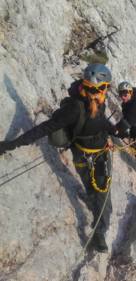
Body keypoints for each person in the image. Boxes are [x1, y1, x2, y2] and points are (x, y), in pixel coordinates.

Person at [0, 63, 115, 253]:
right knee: (92, 188)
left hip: (101, 154)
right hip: (83, 156)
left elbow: (100, 120)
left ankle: (99, 231)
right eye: (105, 87)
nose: (107, 90)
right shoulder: (74, 108)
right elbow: (44, 128)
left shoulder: (97, 98)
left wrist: (114, 130)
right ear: (96, 87)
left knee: (103, 193)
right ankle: (97, 207)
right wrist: (13, 144)